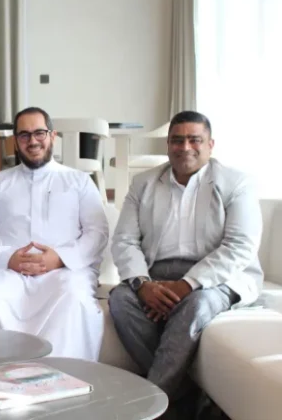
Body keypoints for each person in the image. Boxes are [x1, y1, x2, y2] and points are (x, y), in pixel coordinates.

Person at [109, 111, 263, 415]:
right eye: (177, 140)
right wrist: (142, 285)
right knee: (121, 299)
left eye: (195, 140)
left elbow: (239, 246)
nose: (185, 147)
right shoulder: (143, 183)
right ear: (168, 144)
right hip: (156, 275)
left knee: (197, 304)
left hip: (217, 278)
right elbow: (124, 241)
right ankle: (185, 395)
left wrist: (188, 284)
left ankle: (151, 402)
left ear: (210, 145)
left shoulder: (237, 183)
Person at [0, 107, 109, 361]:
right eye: (24, 135)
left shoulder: (79, 181)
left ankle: (60, 377)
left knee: (74, 299)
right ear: (16, 141)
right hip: (8, 273)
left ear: (52, 136)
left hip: (65, 272)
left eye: (39, 133)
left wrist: (59, 258)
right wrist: (9, 258)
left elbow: (97, 232)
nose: (33, 141)